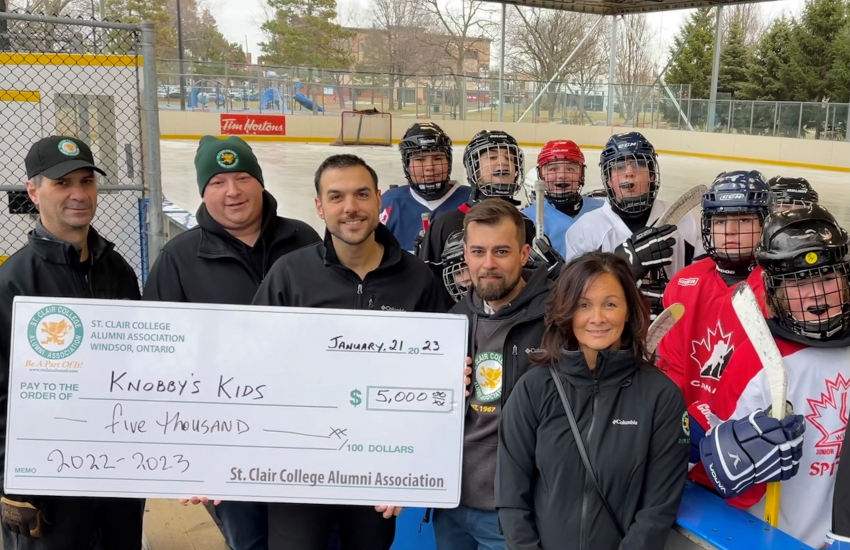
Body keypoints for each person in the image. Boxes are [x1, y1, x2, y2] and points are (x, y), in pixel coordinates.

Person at [251, 154, 449, 549]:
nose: (350, 208)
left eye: (361, 194)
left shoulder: (417, 278)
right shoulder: (290, 275)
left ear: (379, 200)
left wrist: (415, 464)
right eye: (336, 197)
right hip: (299, 470)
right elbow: (250, 363)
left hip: (377, 470)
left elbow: (437, 380)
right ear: (320, 207)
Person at [144, 135, 320, 550]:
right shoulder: (179, 258)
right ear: (203, 192)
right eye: (219, 182)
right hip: (226, 437)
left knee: (314, 535)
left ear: (260, 182)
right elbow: (158, 357)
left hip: (304, 428)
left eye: (243, 177)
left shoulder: (305, 240)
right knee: (249, 538)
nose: (233, 191)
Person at [0, 136, 143, 549]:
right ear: (33, 190)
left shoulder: (117, 270)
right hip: (47, 482)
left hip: (116, 470)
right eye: (62, 184)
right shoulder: (13, 283)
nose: (79, 194)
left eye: (87, 181)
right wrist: (11, 482)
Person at [496, 251, 689, 550]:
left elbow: (657, 509)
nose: (597, 318)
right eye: (583, 305)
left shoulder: (660, 397)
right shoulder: (533, 389)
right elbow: (511, 496)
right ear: (566, 310)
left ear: (628, 311)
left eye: (610, 304)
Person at [697, 205, 849, 548]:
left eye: (826, 277)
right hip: (786, 540)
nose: (814, 294)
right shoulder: (757, 358)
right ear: (775, 290)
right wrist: (733, 462)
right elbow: (721, 478)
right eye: (797, 281)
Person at [435, 199, 551, 550]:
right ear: (465, 255)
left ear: (524, 253)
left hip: (513, 514)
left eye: (501, 251)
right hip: (451, 505)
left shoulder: (556, 321)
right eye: (478, 251)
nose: (488, 264)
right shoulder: (453, 321)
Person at [657, 171, 771, 408]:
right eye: (719, 221)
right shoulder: (683, 284)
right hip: (687, 425)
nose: (729, 230)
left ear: (765, 224)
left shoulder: (778, 290)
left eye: (743, 220)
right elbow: (672, 367)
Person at [565, 132, 703, 318]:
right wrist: (623, 269)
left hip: (678, 334)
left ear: (652, 175)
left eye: (639, 163)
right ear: (608, 180)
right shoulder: (584, 230)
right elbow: (576, 299)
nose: (629, 171)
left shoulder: (689, 221)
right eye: (619, 166)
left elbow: (706, 285)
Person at [419, 130, 538, 305]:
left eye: (509, 158)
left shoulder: (525, 224)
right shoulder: (445, 224)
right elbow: (426, 287)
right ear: (474, 167)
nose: (503, 163)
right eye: (491, 157)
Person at [379, 122, 470, 253]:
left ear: (448, 161)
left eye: (438, 158)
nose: (429, 167)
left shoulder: (471, 201)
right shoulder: (390, 203)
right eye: (420, 160)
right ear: (406, 165)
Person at [520, 140, 604, 258]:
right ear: (541, 175)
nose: (562, 175)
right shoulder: (525, 219)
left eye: (570, 169)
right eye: (553, 169)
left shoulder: (603, 210)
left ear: (581, 174)